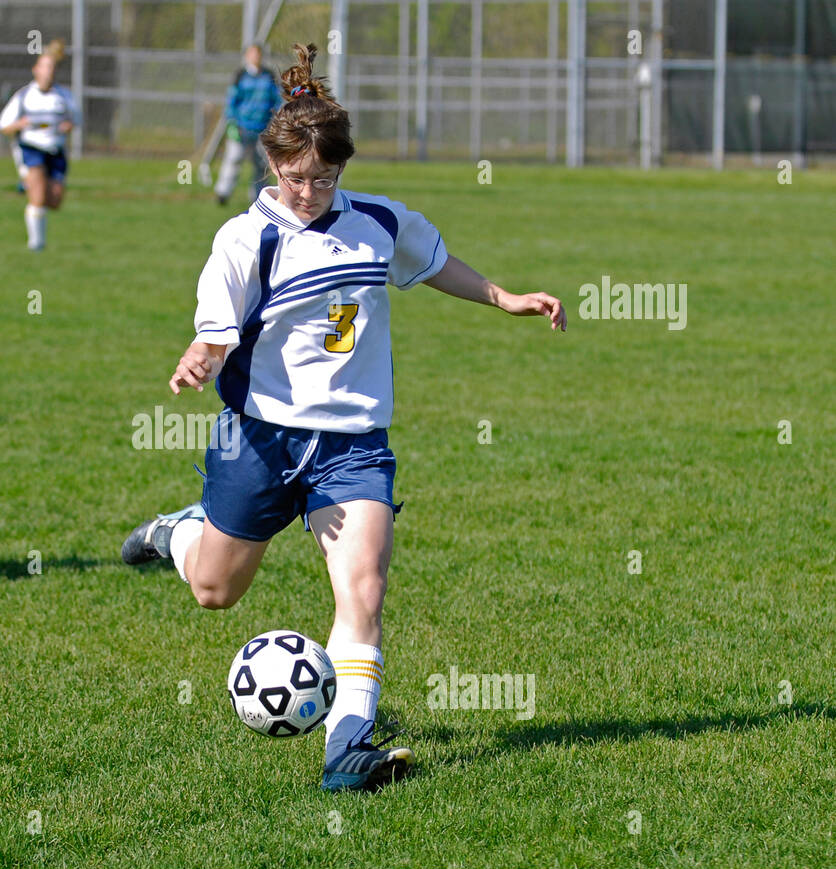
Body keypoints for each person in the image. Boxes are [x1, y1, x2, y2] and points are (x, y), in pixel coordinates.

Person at [122, 43, 566, 792]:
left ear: (343, 168)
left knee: (362, 588)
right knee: (215, 591)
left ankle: (347, 749)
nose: (309, 191)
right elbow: (217, 328)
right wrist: (199, 356)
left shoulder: (379, 224)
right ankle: (179, 531)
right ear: (272, 166)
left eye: (324, 177)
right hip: (260, 439)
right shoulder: (245, 239)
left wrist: (505, 297)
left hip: (354, 445)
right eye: (296, 178)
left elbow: (433, 265)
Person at [0, 40, 81, 251]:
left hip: (56, 150)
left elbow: (76, 121)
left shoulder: (64, 96)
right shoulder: (24, 96)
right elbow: (3, 126)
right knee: (38, 197)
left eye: (51, 67)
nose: (47, 72)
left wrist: (69, 126)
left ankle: (29, 186)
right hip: (31, 149)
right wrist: (19, 124)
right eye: (44, 67)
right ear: (36, 70)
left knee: (55, 201)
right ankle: (37, 245)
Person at [213, 45, 282, 207]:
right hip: (242, 127)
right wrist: (232, 122)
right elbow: (232, 101)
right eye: (252, 54)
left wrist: (276, 120)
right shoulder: (240, 76)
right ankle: (223, 192)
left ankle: (260, 197)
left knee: (262, 164)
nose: (255, 57)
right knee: (234, 158)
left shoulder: (268, 76)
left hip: (263, 128)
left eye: (258, 54)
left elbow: (277, 100)